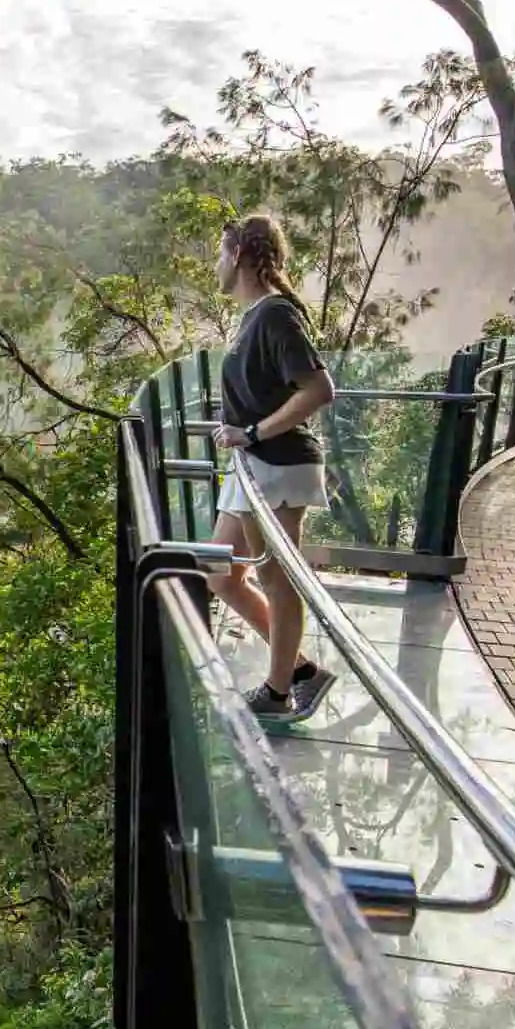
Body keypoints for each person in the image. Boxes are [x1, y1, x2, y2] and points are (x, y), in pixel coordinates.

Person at [203, 213, 338, 723]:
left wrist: (253, 432)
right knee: (219, 573)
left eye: (220, 253)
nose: (216, 264)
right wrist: (237, 431)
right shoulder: (255, 314)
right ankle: (299, 668)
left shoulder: (277, 314)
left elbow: (318, 390)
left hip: (277, 466)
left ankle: (279, 693)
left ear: (238, 255)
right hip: (252, 467)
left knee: (277, 580)